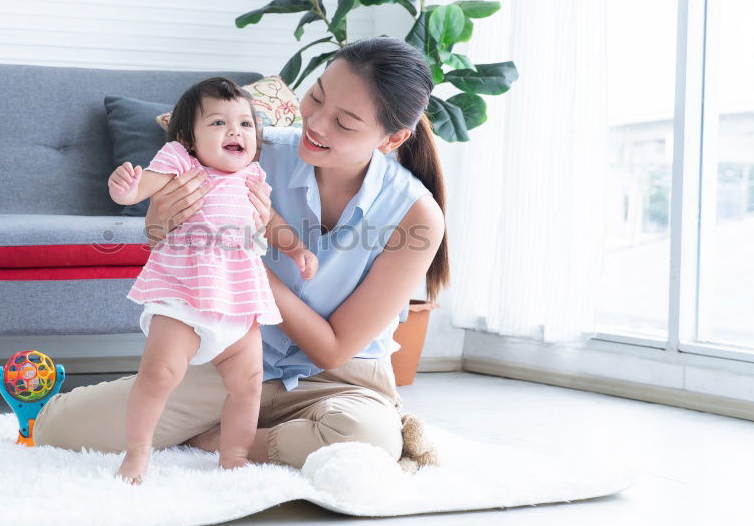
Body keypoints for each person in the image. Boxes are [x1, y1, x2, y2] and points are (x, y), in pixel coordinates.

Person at [32, 35, 449, 473]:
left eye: (344, 123)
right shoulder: (252, 151)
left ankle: (210, 440)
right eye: (317, 97)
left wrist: (243, 267)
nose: (317, 123)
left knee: (364, 439)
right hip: (230, 355)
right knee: (60, 431)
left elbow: (333, 350)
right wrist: (160, 218)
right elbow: (162, 234)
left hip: (340, 382)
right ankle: (248, 432)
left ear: (392, 138)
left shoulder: (415, 216)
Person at [106, 76, 319, 485]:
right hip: (184, 299)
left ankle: (235, 456)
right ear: (188, 138)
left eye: (245, 123)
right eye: (218, 123)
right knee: (159, 376)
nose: (236, 131)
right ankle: (136, 454)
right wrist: (127, 189)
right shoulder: (181, 162)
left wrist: (296, 251)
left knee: (248, 386)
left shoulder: (253, 176)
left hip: (239, 304)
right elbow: (141, 188)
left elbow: (272, 221)